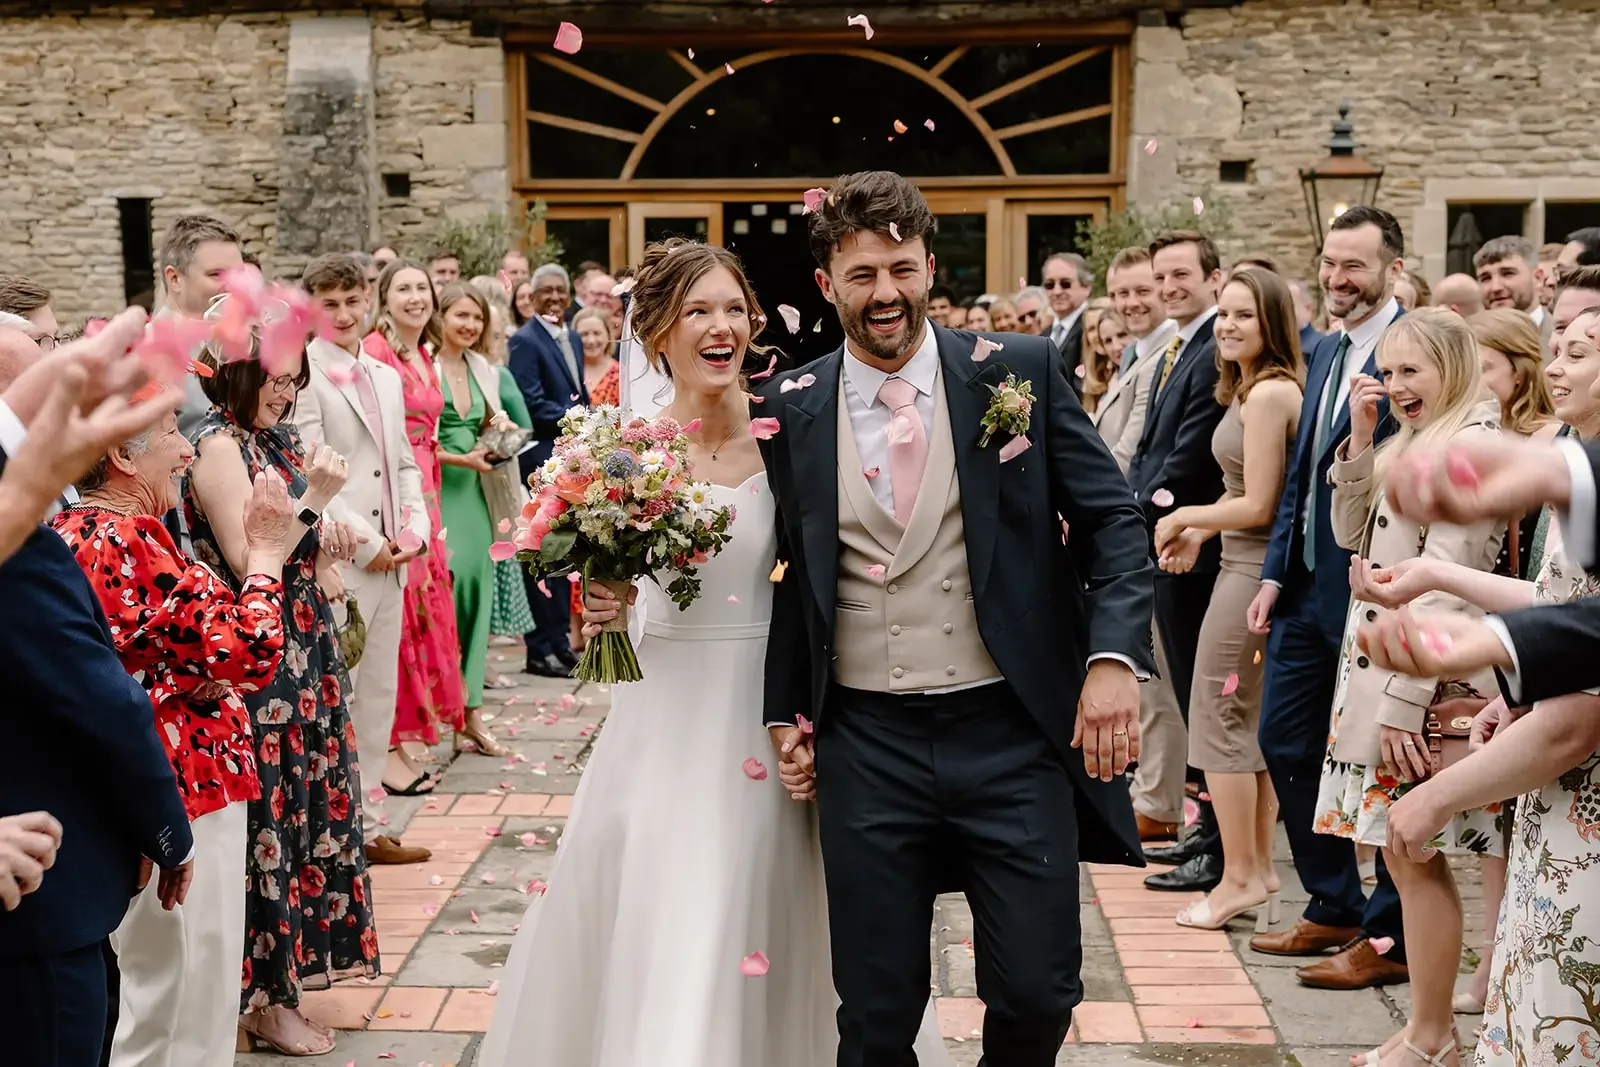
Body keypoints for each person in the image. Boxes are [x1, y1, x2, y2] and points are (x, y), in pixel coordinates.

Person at [480, 239, 954, 1067]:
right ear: (658, 329)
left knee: (788, 897)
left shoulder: (795, 428)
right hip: (667, 703)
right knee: (677, 896)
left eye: (734, 308)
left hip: (773, 700)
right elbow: (604, 586)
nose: (720, 325)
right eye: (698, 310)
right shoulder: (617, 450)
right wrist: (606, 596)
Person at [762, 171, 1152, 1066]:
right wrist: (787, 710)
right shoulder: (788, 405)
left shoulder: (1020, 374)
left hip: (1010, 730)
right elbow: (778, 570)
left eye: (902, 268)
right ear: (827, 285)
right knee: (875, 1008)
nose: (886, 293)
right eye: (862, 275)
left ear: (930, 265)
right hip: (867, 739)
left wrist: (1111, 661)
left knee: (1039, 990)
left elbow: (1113, 522)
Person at [51, 391, 294, 1067]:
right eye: (167, 434)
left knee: (154, 989)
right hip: (183, 786)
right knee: (187, 993)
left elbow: (149, 649)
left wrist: (187, 667)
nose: (188, 448)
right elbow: (252, 647)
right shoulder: (126, 540)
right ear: (122, 456)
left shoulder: (69, 532)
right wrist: (268, 549)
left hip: (134, 785)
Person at [0, 310, 196, 1067]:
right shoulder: (27, 544)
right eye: (49, 370)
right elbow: (102, 700)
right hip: (40, 902)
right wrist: (164, 828)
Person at [1318, 308, 1507, 1067]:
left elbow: (1451, 589)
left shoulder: (1471, 445)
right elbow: (1345, 533)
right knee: (1401, 854)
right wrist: (1363, 444)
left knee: (1415, 849)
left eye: (1411, 371)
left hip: (1423, 683)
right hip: (1382, 670)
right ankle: (1424, 1026)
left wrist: (1403, 702)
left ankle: (1434, 1036)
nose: (1395, 385)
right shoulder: (1415, 438)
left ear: (1452, 366)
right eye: (1388, 371)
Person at [183, 324, 379, 1056]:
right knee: (271, 822)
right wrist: (316, 501)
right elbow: (247, 552)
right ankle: (263, 1002)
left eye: (297, 379)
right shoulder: (216, 446)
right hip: (261, 666)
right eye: (277, 378)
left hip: (303, 645)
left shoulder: (274, 439)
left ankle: (286, 984)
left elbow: (299, 537)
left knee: (303, 817)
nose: (289, 391)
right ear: (238, 372)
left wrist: (324, 540)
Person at [1246, 205, 1410, 990]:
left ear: (1392, 270)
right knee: (1284, 739)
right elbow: (1304, 477)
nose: (1338, 278)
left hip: (1377, 580)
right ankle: (1334, 900)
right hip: (1308, 582)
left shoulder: (1413, 351)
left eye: (1355, 266)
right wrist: (1275, 573)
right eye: (1329, 262)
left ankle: (1389, 939)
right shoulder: (1327, 349)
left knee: (1378, 759)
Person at [1152, 268, 1303, 931]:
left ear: (1272, 323)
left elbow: (1262, 504)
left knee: (1217, 718)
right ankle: (1257, 868)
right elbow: (1241, 493)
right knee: (1242, 720)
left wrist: (1187, 517)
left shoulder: (1271, 394)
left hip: (1252, 566)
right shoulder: (1249, 388)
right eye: (1223, 315)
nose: (1229, 326)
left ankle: (1240, 873)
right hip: (1240, 560)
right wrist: (1198, 529)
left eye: (1245, 315)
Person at [299, 255, 435, 861]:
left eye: (354, 300)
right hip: (342, 557)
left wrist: (415, 527)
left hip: (394, 558)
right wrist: (371, 544)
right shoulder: (303, 374)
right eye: (331, 304)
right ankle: (331, 829)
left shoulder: (383, 374)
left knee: (380, 693)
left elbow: (403, 463)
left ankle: (371, 822)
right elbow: (310, 464)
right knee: (340, 693)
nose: (346, 313)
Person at [1127, 230, 1228, 891]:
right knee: (1191, 700)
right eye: (1160, 275)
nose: (1168, 286)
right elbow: (1148, 446)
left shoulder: (1214, 346)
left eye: (1181, 274)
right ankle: (1205, 832)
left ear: (1213, 278)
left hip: (1196, 548)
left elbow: (1188, 455)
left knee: (1207, 706)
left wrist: (1125, 511)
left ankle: (1219, 847)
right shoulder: (1176, 345)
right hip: (1164, 538)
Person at [349, 258, 472, 785]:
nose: (415, 297)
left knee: (423, 610)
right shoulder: (376, 353)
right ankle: (390, 749)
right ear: (384, 297)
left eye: (422, 287)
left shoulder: (423, 351)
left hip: (427, 485)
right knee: (400, 615)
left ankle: (403, 737)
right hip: (396, 488)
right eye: (403, 289)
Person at [435, 280, 533, 757]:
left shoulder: (483, 369)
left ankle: (470, 714)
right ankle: (438, 711)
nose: (470, 326)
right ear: (441, 317)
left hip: (475, 495)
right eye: (461, 316)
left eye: (477, 319)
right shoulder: (422, 368)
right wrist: (459, 459)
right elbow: (412, 438)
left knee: (475, 594)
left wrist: (503, 430)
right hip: (434, 492)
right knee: (440, 604)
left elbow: (496, 421)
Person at [508, 263, 587, 677]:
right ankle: (539, 649)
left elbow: (578, 390)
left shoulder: (571, 334)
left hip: (567, 458)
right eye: (547, 292)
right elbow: (532, 404)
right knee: (542, 554)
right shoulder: (524, 341)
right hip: (539, 459)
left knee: (565, 554)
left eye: (562, 291)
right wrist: (582, 418)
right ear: (532, 298)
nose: (555, 298)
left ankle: (559, 643)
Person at [566, 306, 622, 649]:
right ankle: (575, 634)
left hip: (609, 468)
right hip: (574, 468)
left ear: (608, 335)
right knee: (576, 550)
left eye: (596, 332)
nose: (590, 339)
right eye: (583, 334)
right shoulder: (570, 372)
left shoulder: (618, 373)